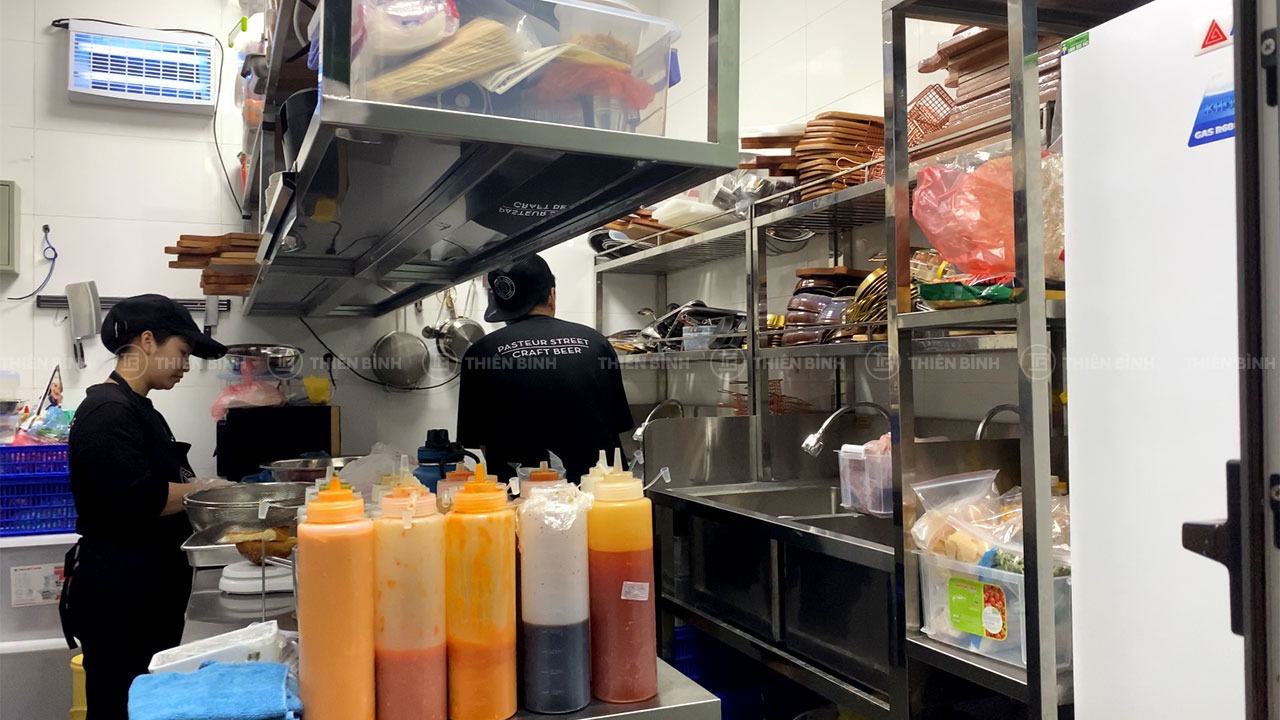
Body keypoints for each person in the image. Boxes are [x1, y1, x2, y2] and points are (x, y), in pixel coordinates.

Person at [60, 295, 228, 720]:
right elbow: (139, 497)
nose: (186, 365)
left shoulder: (138, 408)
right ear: (148, 341)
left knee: (146, 705)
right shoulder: (107, 412)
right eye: (183, 352)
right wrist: (206, 491)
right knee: (121, 707)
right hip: (120, 601)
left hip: (145, 595)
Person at [457, 254, 633, 482]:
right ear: (551, 295)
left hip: (520, 496)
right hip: (600, 494)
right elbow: (616, 425)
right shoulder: (596, 343)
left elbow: (479, 441)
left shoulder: (480, 352)